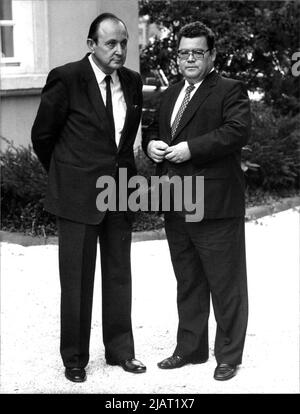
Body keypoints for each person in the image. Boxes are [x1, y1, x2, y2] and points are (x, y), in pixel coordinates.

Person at [31, 13, 146, 383]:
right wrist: (69, 177)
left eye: (124, 43)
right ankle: (75, 358)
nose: (119, 50)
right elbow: (42, 136)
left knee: (118, 276)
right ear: (91, 44)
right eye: (111, 43)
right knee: (77, 280)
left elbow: (124, 144)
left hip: (120, 193)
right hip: (78, 196)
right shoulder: (66, 78)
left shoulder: (131, 81)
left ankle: (121, 351)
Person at [143, 21, 251, 381]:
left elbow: (235, 131)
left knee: (225, 283)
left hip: (216, 204)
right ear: (177, 58)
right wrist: (151, 145)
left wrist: (191, 149)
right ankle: (190, 349)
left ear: (212, 56)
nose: (190, 59)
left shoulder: (229, 90)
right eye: (184, 53)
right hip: (176, 201)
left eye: (197, 52)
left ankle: (228, 355)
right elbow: (156, 130)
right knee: (188, 281)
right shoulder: (170, 94)